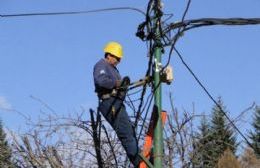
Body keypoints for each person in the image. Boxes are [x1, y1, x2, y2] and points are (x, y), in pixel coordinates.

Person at [93, 41, 141, 167]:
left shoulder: (113, 69)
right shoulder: (101, 65)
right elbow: (101, 81)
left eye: (119, 59)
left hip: (115, 102)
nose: (118, 61)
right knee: (126, 133)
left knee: (129, 131)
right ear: (109, 55)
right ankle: (140, 163)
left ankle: (140, 159)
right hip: (110, 103)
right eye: (117, 58)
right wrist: (117, 84)